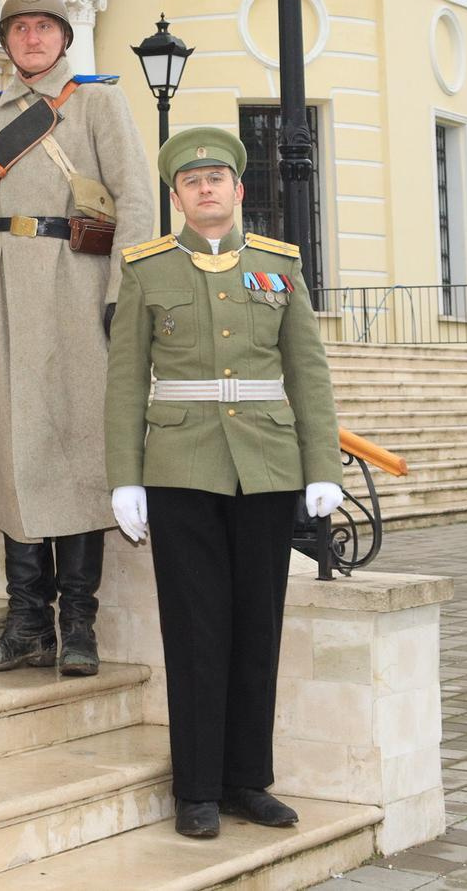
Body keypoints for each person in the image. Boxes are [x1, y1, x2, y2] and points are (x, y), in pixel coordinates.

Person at [106, 129, 342, 841]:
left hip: (266, 468)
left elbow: (308, 372)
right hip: (181, 468)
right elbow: (124, 382)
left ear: (239, 190)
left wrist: (322, 464)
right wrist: (126, 477)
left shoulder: (278, 266)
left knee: (256, 628)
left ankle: (246, 780)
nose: (205, 188)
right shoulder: (147, 270)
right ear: (175, 196)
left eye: (217, 178)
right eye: (191, 180)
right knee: (195, 629)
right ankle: (198, 788)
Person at [0, 0, 153, 679]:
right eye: (19, 29)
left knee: (78, 449)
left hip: (76, 284)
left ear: (64, 37)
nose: (32, 38)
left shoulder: (97, 101)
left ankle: (79, 623)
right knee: (10, 448)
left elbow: (136, 199)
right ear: (5, 41)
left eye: (44, 28)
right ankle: (26, 621)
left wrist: (127, 290)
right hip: (0, 286)